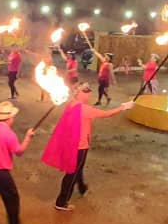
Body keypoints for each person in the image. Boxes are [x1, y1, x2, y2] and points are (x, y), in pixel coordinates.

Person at [42, 83, 133, 211]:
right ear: (79, 93)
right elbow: (106, 114)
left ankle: (82, 187)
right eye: (86, 91)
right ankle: (61, 202)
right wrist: (123, 107)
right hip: (80, 146)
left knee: (78, 169)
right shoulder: (84, 109)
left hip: (72, 144)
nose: (89, 93)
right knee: (71, 174)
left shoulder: (72, 104)